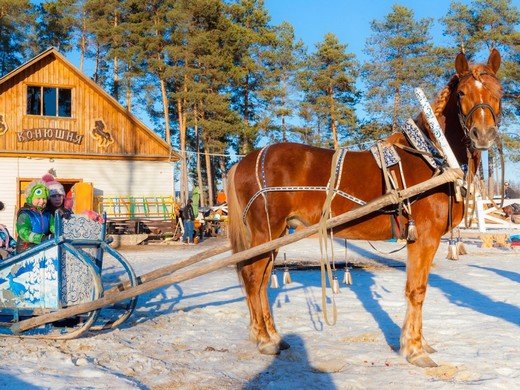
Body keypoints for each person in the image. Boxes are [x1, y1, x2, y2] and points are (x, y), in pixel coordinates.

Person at [16, 180, 54, 253]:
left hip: (43, 248)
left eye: (44, 198)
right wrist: (42, 238)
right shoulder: (25, 214)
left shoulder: (48, 214)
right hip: (26, 250)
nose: (42, 201)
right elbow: (23, 233)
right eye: (38, 198)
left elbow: (54, 227)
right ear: (30, 198)